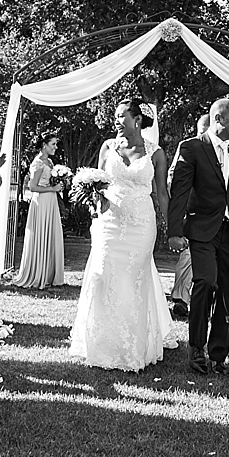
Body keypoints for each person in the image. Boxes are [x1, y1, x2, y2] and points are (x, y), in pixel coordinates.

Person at [70, 100, 175, 370]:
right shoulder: (108, 146)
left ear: (137, 120)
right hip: (109, 222)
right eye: (115, 115)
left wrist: (174, 227)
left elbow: (162, 193)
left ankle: (132, 347)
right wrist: (94, 197)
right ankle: (101, 342)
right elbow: (99, 182)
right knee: (103, 275)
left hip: (141, 224)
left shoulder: (156, 153)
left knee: (132, 281)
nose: (116, 120)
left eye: (122, 116)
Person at [168, 97, 229, 376]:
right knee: (206, 283)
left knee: (226, 290)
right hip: (201, 229)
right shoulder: (191, 148)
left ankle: (219, 354)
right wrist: (175, 231)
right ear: (219, 119)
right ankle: (196, 348)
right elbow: (180, 192)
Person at [164, 114, 210, 319]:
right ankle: (180, 299)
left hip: (218, 215)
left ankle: (206, 303)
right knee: (187, 257)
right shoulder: (188, 146)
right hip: (193, 212)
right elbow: (173, 177)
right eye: (202, 132)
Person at [15, 130, 67, 288]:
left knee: (50, 234)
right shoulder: (38, 163)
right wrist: (53, 189)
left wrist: (59, 184)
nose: (56, 147)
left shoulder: (50, 162)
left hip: (51, 202)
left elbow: (49, 182)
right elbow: (32, 186)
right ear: (44, 145)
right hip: (42, 203)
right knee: (41, 234)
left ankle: (50, 274)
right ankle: (38, 273)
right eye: (53, 144)